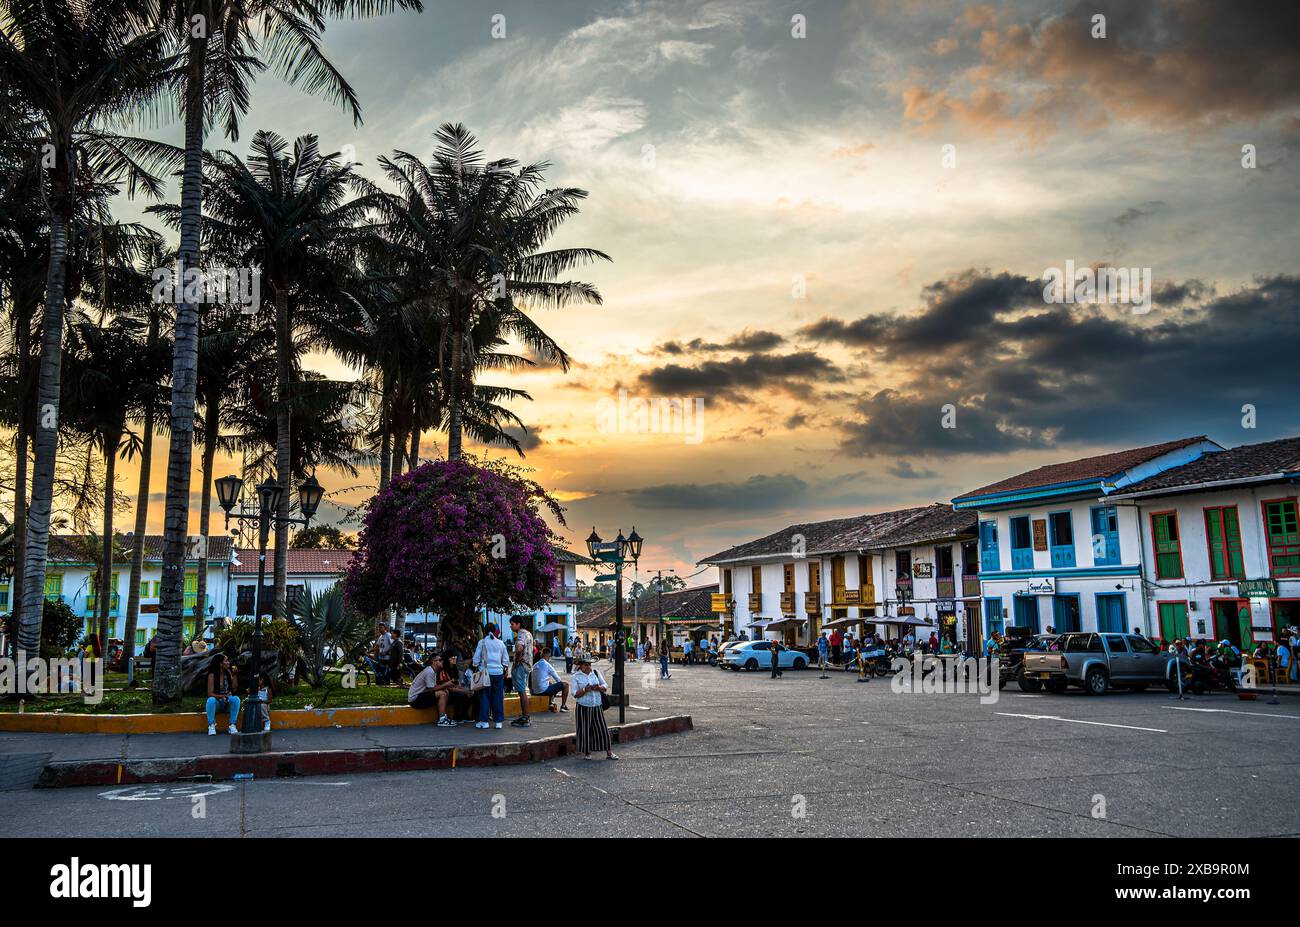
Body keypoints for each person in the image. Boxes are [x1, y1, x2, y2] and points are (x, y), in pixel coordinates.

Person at [571, 655, 616, 760]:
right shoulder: (575, 677)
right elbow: (574, 694)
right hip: (583, 707)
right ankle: (587, 753)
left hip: (597, 706)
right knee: (584, 730)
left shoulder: (595, 673)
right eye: (586, 665)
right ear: (581, 666)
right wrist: (584, 690)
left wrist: (598, 687)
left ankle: (609, 752)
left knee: (602, 729)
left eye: (589, 664)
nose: (588, 667)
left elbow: (605, 685)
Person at [472, 624, 510, 730]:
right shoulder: (501, 643)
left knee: (484, 697)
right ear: (495, 631)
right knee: (498, 697)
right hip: (498, 673)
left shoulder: (482, 642)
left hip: (486, 673)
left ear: (484, 631)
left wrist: (475, 666)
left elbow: (476, 659)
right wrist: (504, 668)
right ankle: (498, 722)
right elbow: (506, 659)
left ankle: (484, 722)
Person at [205, 652, 241, 736]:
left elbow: (234, 688)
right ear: (220, 664)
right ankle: (211, 725)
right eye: (226, 661)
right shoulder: (212, 675)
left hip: (227, 702)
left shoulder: (228, 673)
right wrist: (222, 696)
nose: (228, 662)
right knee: (210, 700)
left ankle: (232, 725)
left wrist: (235, 675)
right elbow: (210, 693)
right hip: (218, 703)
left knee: (236, 699)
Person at [508, 617, 535, 727]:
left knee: (521, 691)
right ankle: (525, 716)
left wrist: (517, 660)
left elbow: (519, 649)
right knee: (522, 690)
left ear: (518, 624)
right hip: (527, 665)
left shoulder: (521, 634)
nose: (511, 626)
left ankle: (525, 716)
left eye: (512, 624)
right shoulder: (528, 633)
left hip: (521, 665)